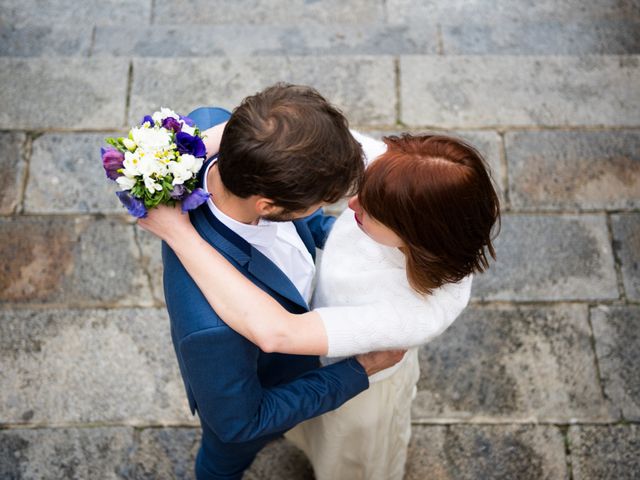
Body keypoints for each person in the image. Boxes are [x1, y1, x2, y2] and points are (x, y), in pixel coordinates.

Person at [147, 84, 406, 480]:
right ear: (267, 206)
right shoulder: (210, 329)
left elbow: (304, 222)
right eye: (319, 201)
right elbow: (241, 423)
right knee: (222, 461)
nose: (324, 209)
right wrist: (359, 370)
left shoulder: (212, 127)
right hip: (261, 386)